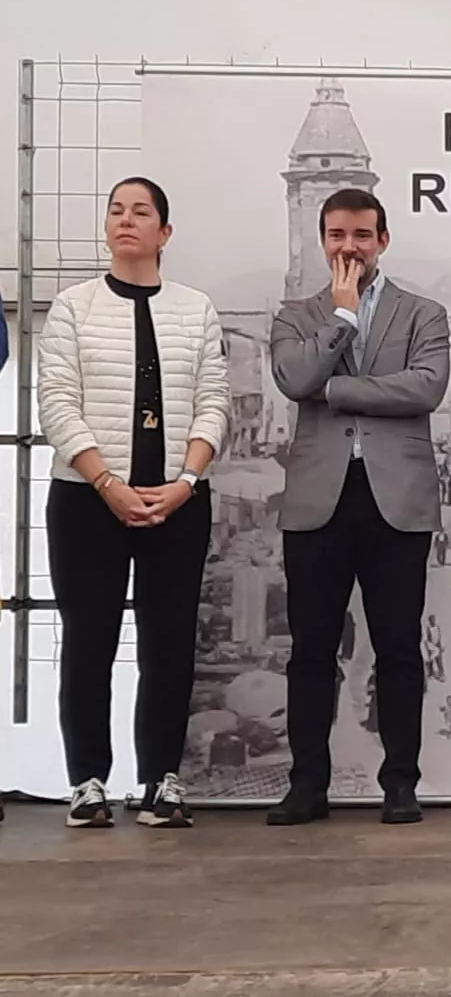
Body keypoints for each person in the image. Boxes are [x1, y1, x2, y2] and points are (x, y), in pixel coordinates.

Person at [38, 177, 229, 829]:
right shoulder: (72, 307)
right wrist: (108, 483)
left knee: (169, 641)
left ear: (164, 233)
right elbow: (57, 403)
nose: (126, 220)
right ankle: (87, 781)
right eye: (116, 210)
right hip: (87, 501)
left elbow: (214, 403)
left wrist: (185, 481)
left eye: (141, 212)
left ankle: (161, 780)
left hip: (178, 503)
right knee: (89, 639)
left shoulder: (195, 309)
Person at [266, 188, 451, 827]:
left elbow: (426, 388)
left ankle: (400, 782)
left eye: (362, 235)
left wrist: (336, 389)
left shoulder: (423, 313)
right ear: (323, 241)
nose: (350, 247)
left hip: (395, 502)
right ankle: (306, 785)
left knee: (399, 647)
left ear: (383, 240)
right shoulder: (297, 315)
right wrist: (342, 319)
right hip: (317, 503)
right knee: (311, 650)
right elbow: (293, 380)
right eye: (338, 235)